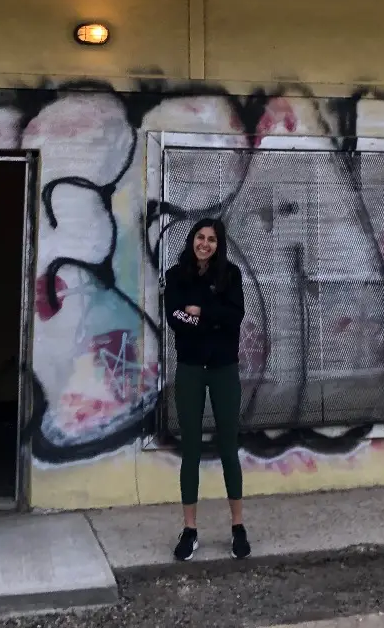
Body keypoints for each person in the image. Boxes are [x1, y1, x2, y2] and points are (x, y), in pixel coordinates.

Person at [163, 218, 250, 560]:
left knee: (229, 448)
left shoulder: (231, 276)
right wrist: (205, 318)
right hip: (189, 370)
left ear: (219, 244)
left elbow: (235, 317)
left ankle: (238, 527)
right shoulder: (176, 275)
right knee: (191, 451)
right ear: (192, 240)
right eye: (200, 237)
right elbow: (175, 318)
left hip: (224, 370)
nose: (205, 243)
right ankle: (190, 530)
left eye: (212, 239)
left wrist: (200, 314)